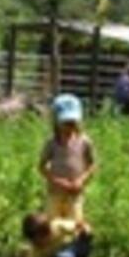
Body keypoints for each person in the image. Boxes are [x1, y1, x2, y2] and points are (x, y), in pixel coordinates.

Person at [40, 94, 96, 223]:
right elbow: (42, 166)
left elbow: (92, 165)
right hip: (55, 192)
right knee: (53, 225)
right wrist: (56, 180)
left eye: (73, 123)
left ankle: (72, 243)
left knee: (74, 224)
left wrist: (81, 180)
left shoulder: (85, 142)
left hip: (75, 193)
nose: (69, 127)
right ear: (56, 122)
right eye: (65, 123)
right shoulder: (51, 143)